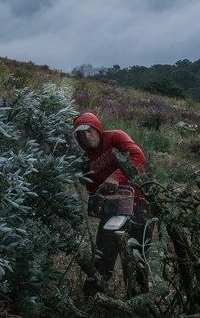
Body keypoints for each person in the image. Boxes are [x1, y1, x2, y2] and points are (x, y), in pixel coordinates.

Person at [72, 112, 151, 297]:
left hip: (139, 204)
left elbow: (137, 155)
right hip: (113, 211)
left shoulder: (116, 137)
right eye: (81, 135)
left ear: (97, 128)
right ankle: (92, 300)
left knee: (137, 258)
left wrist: (116, 177)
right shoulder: (87, 160)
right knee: (102, 257)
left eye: (90, 131)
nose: (87, 137)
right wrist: (94, 198)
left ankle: (137, 302)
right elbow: (93, 191)